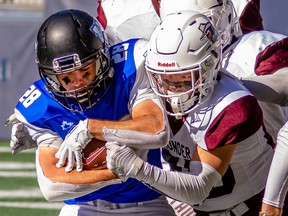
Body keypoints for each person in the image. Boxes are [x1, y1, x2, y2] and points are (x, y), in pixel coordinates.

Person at [7, 9, 176, 216]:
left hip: (146, 205)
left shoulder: (129, 69)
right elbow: (52, 185)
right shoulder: (43, 104)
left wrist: (91, 128)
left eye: (86, 71)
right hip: (82, 208)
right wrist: (119, 171)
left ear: (103, 57)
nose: (79, 84)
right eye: (67, 78)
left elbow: (157, 130)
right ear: (50, 78)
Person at [105, 10, 275, 215]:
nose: (172, 89)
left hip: (255, 208)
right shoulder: (151, 94)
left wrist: (138, 168)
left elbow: (198, 188)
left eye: (184, 78)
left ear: (210, 64)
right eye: (164, 79)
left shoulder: (232, 106)